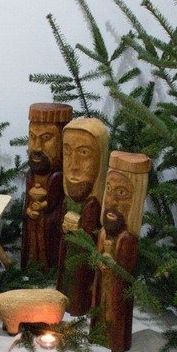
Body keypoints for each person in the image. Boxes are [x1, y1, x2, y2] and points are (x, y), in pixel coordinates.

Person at [56, 117, 109, 316]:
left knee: (79, 284)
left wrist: (80, 226)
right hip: (68, 256)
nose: (73, 165)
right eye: (67, 151)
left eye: (84, 153)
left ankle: (78, 306)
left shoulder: (94, 204)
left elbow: (93, 234)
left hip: (83, 264)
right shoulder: (67, 199)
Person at [21, 103, 73, 273]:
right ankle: (32, 268)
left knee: (50, 255)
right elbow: (27, 203)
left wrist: (43, 207)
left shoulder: (59, 177)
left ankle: (48, 271)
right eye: (32, 137)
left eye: (46, 138)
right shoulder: (31, 174)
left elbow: (54, 204)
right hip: (33, 228)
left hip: (51, 233)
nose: (37, 147)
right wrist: (29, 212)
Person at [94, 170, 139, 352]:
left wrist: (111, 263)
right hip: (103, 285)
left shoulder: (127, 239)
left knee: (114, 313)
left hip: (116, 291)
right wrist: (100, 261)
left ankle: (115, 341)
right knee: (101, 310)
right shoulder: (103, 232)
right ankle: (98, 334)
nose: (111, 201)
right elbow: (96, 256)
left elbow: (125, 271)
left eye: (121, 193)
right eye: (108, 190)